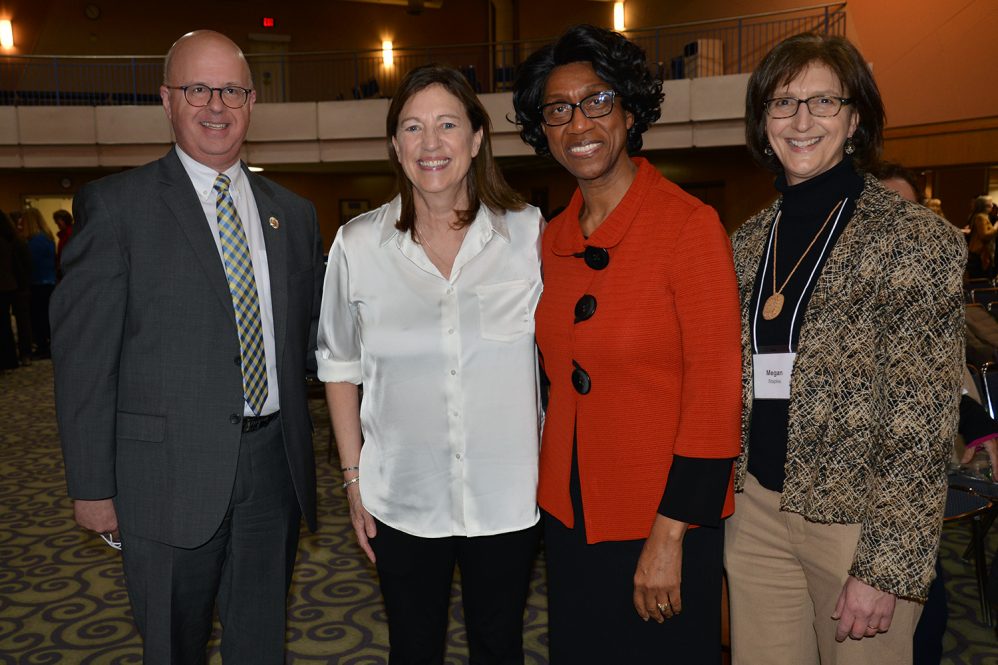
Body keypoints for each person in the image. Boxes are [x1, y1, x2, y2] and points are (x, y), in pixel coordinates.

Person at [50, 30, 323, 664]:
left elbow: (309, 341)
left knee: (262, 647)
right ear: (168, 100)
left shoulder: (295, 214)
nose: (216, 105)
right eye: (197, 88)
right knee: (173, 648)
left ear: (251, 100)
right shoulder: (117, 207)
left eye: (231, 89)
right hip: (164, 479)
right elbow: (84, 360)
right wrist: (90, 486)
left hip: (273, 470)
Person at [726, 32, 965, 665]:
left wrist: (886, 565)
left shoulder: (914, 239)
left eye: (822, 102)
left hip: (858, 524)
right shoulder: (745, 245)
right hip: (756, 516)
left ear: (855, 118)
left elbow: (924, 421)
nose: (801, 120)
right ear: (763, 121)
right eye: (782, 103)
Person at [512, 24, 742, 663]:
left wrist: (671, 532)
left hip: (662, 515)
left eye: (597, 101)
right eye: (558, 109)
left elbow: (715, 395)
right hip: (570, 513)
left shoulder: (688, 227)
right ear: (544, 129)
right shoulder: (551, 242)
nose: (578, 121)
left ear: (630, 111)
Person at [317, 64, 543, 664]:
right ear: (396, 145)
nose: (431, 144)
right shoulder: (357, 245)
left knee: (500, 648)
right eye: (413, 128)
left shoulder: (528, 234)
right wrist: (352, 478)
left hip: (508, 496)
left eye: (447, 125)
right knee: (413, 649)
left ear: (475, 138)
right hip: (403, 498)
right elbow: (338, 364)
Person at [20, 207, 56, 358]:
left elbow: (29, 265)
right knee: (46, 317)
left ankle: (43, 348)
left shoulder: (34, 241)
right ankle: (48, 346)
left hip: (38, 283)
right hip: (50, 281)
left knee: (38, 318)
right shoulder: (48, 237)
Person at [967, 195, 996, 278]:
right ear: (985, 205)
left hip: (982, 253)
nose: (992, 205)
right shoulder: (980, 217)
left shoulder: (984, 217)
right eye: (990, 203)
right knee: (980, 278)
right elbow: (984, 235)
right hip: (979, 254)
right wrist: (996, 228)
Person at [52, 208, 73, 278]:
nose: (56, 223)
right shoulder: (63, 235)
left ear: (65, 220)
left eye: (58, 220)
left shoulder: (70, 234)